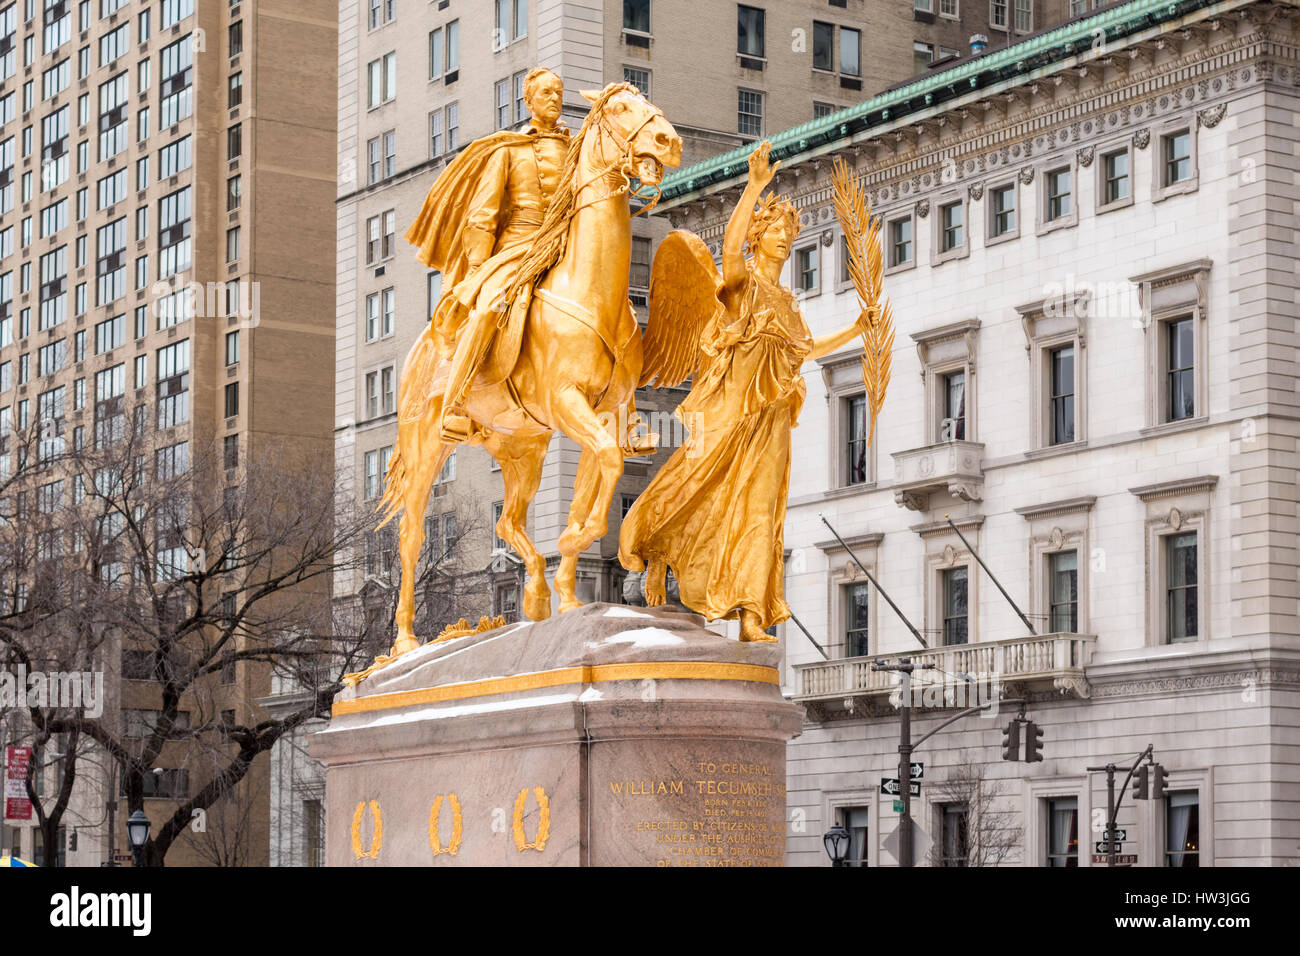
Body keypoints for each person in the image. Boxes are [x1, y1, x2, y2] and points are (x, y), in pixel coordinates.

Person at [618, 142, 874, 642]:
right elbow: (729, 251)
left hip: (771, 421)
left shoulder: (785, 302)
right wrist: (753, 187)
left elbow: (804, 348)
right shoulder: (742, 286)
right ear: (760, 237)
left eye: (788, 234)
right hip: (728, 417)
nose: (783, 239)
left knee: (762, 514)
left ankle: (751, 615)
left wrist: (855, 331)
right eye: (775, 231)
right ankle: (656, 546)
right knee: (690, 485)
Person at [405, 68, 570, 442]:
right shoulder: (508, 149)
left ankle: (623, 406)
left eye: (558, 93)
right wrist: (480, 268)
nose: (554, 99)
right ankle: (456, 403)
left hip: (562, 246)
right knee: (489, 309)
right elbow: (484, 212)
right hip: (516, 247)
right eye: (545, 93)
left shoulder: (575, 151)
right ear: (528, 101)